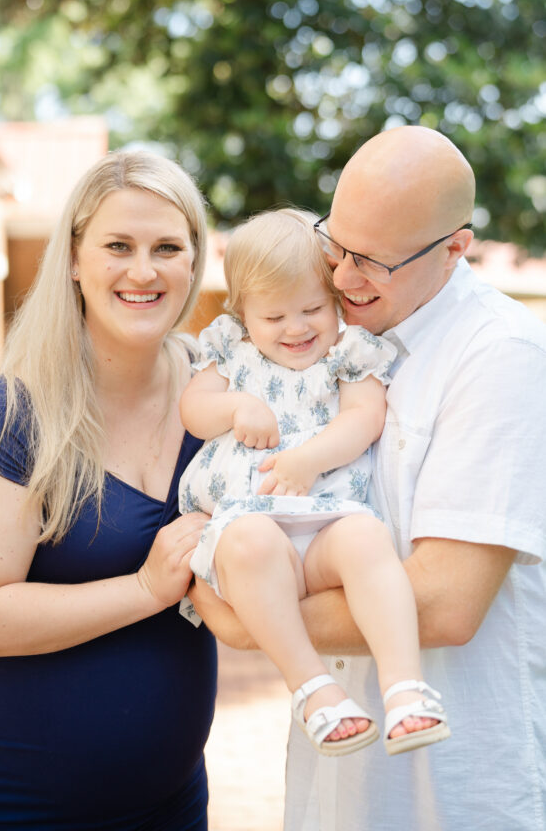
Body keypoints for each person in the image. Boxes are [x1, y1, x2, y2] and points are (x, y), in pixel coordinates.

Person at [189, 126, 546, 831]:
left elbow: (444, 603)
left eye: (373, 261)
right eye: (336, 245)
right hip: (337, 776)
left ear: (453, 248)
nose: (342, 277)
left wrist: (242, 613)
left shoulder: (500, 357)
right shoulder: (333, 336)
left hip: (453, 791)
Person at [0, 149, 218, 831]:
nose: (143, 270)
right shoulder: (13, 415)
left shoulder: (221, 396)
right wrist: (144, 590)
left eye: (167, 246)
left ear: (194, 260)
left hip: (165, 801)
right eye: (117, 246)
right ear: (74, 258)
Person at [179, 208, 449, 757]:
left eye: (312, 309)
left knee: (366, 540)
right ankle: (313, 689)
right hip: (249, 524)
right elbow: (193, 410)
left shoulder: (347, 352)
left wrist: (309, 458)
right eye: (275, 316)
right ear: (243, 314)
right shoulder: (232, 350)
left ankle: (404, 688)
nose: (297, 328)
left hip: (325, 516)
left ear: (334, 301)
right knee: (250, 542)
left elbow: (363, 417)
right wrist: (235, 404)